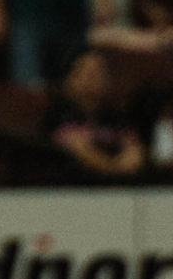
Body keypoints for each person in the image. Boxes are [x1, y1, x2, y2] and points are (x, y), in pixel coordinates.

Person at [50, 48, 147, 180]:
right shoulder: (57, 115)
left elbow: (134, 153)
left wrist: (122, 166)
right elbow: (78, 149)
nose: (92, 79)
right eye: (86, 73)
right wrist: (112, 170)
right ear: (68, 79)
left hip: (119, 191)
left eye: (98, 73)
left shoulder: (117, 117)